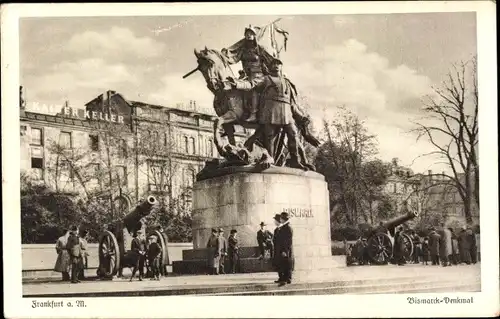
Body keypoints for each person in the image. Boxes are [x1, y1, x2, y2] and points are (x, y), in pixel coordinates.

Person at [230, 58, 305, 169]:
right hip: (270, 112)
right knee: (269, 137)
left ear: (281, 67)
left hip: (286, 112)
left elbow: (292, 102)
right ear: (270, 67)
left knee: (293, 134)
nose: (276, 66)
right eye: (274, 64)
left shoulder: (287, 82)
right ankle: (271, 160)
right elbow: (252, 84)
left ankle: (295, 160)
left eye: (278, 64)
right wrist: (237, 84)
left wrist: (300, 115)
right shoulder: (265, 79)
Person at [222, 25, 275, 122]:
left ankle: (253, 114)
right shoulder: (242, 50)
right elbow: (233, 58)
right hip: (246, 76)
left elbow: (270, 60)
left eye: (251, 33)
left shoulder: (260, 49)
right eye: (247, 34)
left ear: (255, 36)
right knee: (234, 87)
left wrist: (276, 69)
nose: (249, 35)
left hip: (259, 77)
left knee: (253, 89)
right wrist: (224, 55)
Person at [275, 212, 294, 286]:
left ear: (283, 219)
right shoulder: (285, 227)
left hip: (286, 250)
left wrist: (285, 251)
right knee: (285, 264)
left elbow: (288, 241)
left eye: (280, 218)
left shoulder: (288, 227)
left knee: (287, 264)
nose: (279, 219)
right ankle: (284, 278)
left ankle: (288, 278)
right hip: (284, 249)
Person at [272, 214, 283, 283]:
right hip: (276, 250)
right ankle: (280, 277)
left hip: (281, 250)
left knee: (282, 264)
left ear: (278, 221)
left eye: (275, 220)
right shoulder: (276, 230)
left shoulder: (283, 229)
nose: (274, 222)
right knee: (278, 264)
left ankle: (284, 278)